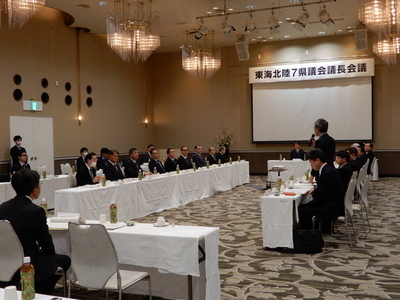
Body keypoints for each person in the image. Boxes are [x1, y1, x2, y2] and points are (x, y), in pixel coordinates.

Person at [0, 169, 71, 294]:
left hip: (6, 259)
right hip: (30, 262)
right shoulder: (35, 211)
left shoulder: (3, 207)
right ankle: (41, 288)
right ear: (35, 189)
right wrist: (50, 253)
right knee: (64, 259)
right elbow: (45, 242)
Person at [298, 149, 344, 230]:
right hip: (333, 202)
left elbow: (322, 196)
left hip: (330, 206)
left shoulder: (326, 173)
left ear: (317, 160)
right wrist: (315, 190)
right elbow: (326, 189)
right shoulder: (328, 169)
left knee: (301, 209)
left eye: (310, 162)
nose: (311, 165)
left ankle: (312, 232)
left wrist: (309, 204)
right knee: (304, 206)